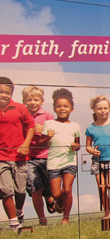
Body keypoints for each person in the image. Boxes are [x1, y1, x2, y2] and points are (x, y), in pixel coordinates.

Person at [40, 88, 80, 225]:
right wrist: (48, 137)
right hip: (54, 162)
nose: (62, 109)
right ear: (54, 109)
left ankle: (66, 218)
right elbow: (42, 144)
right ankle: (58, 204)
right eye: (59, 106)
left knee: (67, 190)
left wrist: (75, 146)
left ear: (71, 109)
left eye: (66, 106)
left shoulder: (75, 126)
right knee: (56, 194)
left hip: (70, 161)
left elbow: (78, 145)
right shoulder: (49, 124)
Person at [0, 77, 35, 230]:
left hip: (20, 156)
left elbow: (31, 126)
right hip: (1, 157)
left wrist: (26, 144)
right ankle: (14, 223)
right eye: (0, 92)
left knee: (20, 191)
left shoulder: (20, 108)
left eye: (7, 93)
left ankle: (19, 211)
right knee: (6, 190)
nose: (3, 95)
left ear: (11, 94)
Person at [22, 86, 56, 226]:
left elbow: (55, 134)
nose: (33, 102)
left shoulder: (47, 114)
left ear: (42, 101)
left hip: (47, 156)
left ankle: (49, 199)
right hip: (30, 158)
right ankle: (42, 218)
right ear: (24, 101)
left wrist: (44, 130)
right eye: (29, 99)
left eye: (36, 99)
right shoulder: (22, 114)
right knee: (35, 188)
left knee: (49, 188)